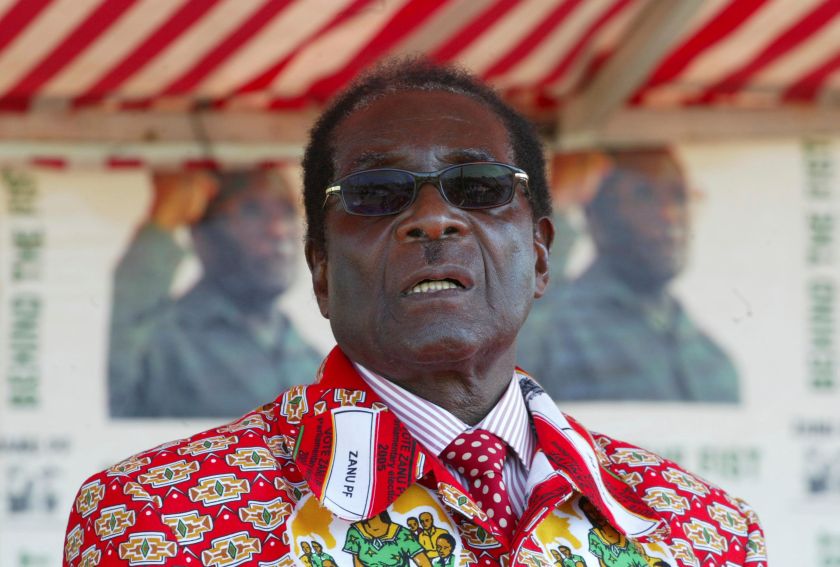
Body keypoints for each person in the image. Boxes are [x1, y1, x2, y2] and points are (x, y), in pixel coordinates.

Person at [63, 58, 765, 567]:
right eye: (376, 194)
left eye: (480, 187)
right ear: (321, 270)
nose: (434, 218)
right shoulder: (156, 523)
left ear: (540, 256)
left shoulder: (705, 535)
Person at [521, 149, 740, 402]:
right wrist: (554, 212)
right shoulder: (552, 325)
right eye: (643, 195)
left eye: (680, 197)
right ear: (594, 214)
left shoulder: (716, 364)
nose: (670, 214)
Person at [107, 168, 322, 417]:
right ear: (203, 235)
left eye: (287, 212)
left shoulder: (312, 360)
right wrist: (161, 224)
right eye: (251, 211)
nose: (278, 229)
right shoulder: (162, 338)